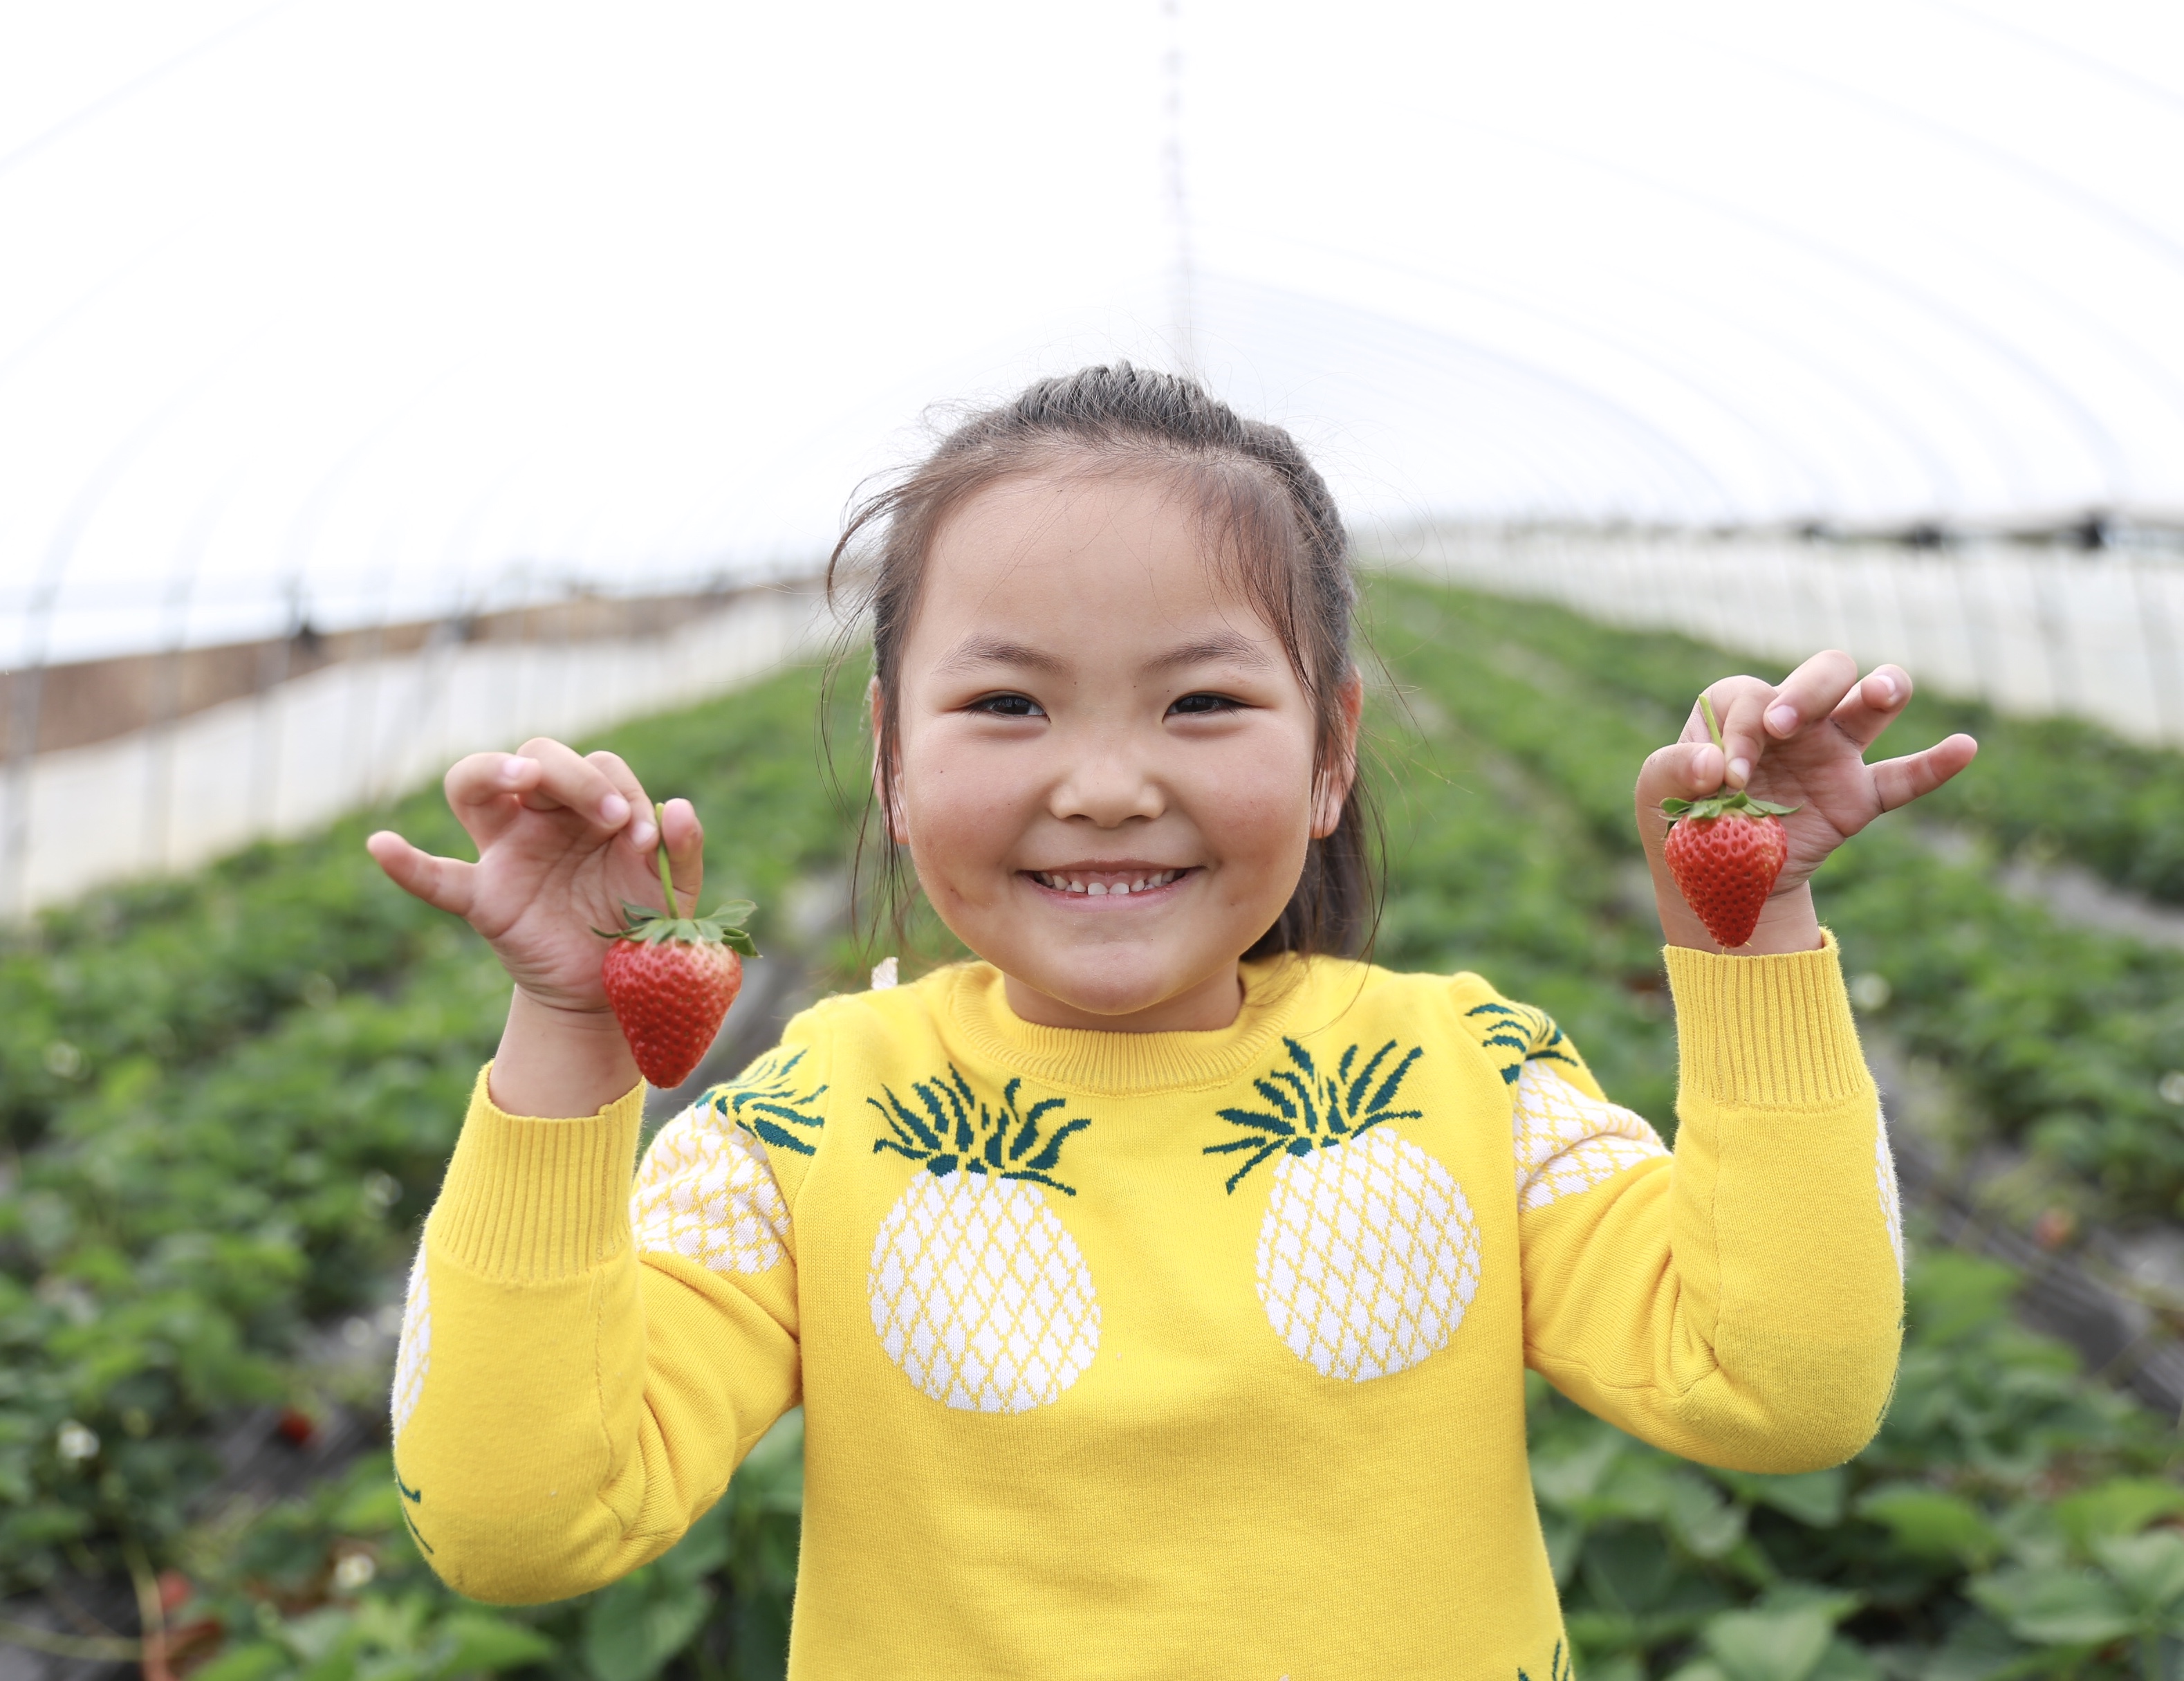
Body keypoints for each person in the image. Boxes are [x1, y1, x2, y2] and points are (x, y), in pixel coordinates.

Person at [364, 365, 1977, 1678]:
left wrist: (1751, 921)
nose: (1110, 784)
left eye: (1203, 701)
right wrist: (573, 1034)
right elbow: (517, 1522)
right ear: (892, 758)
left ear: (1332, 747)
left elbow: (1784, 1387)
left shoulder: (1467, 1075)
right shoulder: (813, 1120)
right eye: (1007, 703)